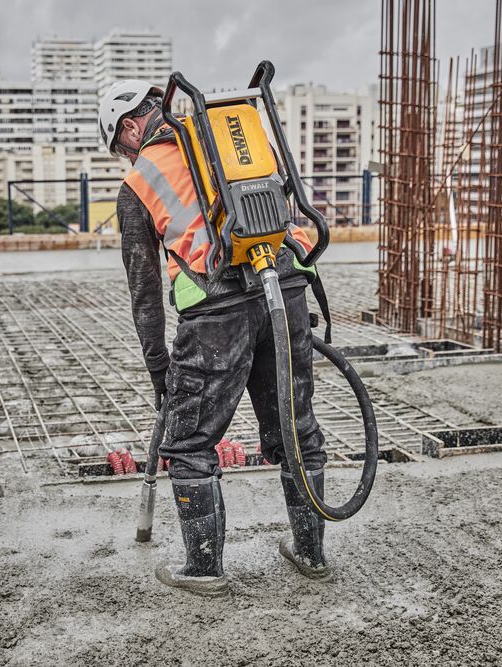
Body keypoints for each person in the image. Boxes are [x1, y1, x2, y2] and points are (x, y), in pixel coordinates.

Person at [100, 80, 331, 597]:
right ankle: (311, 554)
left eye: (121, 147)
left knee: (188, 444)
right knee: (295, 428)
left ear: (131, 126)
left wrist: (160, 369)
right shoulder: (230, 139)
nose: (125, 158)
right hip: (287, 289)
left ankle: (204, 570)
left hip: (215, 310)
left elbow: (144, 292)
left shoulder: (138, 183)